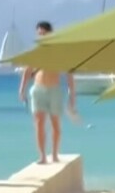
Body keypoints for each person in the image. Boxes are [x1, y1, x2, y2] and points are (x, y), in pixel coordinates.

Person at [19, 21, 76, 165]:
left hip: (54, 90)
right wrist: (22, 90)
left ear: (50, 34)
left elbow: (69, 73)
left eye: (44, 33)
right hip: (38, 89)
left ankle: (55, 154)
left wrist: (72, 94)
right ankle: (42, 156)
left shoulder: (58, 52)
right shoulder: (35, 52)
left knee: (55, 124)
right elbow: (27, 71)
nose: (41, 36)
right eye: (39, 34)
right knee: (39, 123)